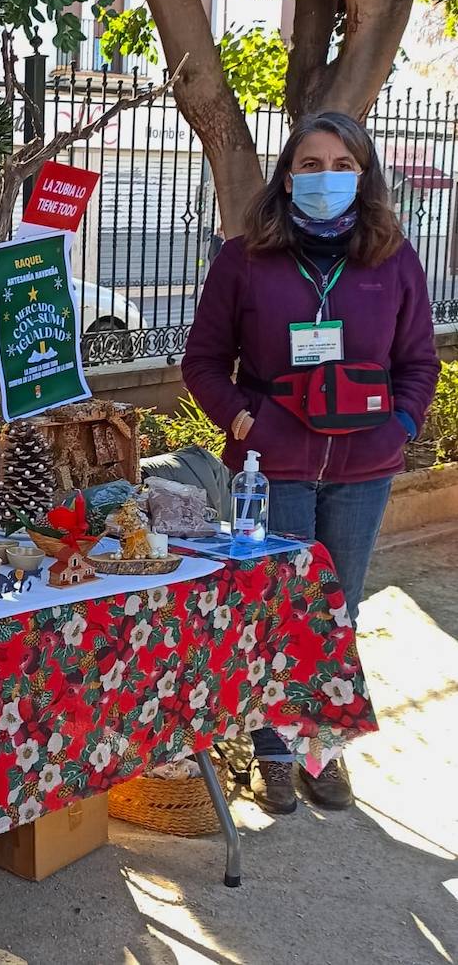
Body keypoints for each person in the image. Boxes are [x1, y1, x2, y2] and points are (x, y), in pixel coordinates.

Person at [183, 112, 439, 816]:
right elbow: (202, 362)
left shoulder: (392, 259)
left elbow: (418, 362)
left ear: (364, 176)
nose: (326, 178)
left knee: (336, 611)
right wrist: (244, 420)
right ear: (288, 175)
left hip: (365, 469)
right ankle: (273, 750)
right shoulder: (245, 258)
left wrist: (402, 427)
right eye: (311, 164)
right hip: (275, 467)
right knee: (277, 608)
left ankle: (323, 747)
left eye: (342, 165)